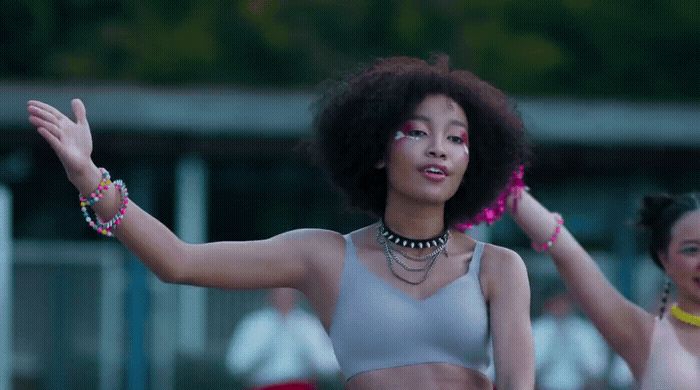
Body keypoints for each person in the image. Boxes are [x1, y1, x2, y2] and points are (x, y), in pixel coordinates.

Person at [27, 54, 534, 389]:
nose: (438, 149)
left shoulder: (498, 267)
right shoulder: (325, 257)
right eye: (417, 131)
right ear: (377, 152)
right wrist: (89, 177)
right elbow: (178, 261)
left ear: (472, 162)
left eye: (456, 138)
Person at [509, 190, 700, 389]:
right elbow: (568, 254)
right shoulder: (647, 337)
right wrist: (508, 188)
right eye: (691, 249)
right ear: (665, 259)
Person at [225, 288, 340, 390]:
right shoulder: (253, 324)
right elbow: (236, 366)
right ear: (270, 294)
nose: (284, 297)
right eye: (279, 292)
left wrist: (306, 345)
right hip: (263, 385)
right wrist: (266, 343)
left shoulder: (310, 325)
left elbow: (331, 366)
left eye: (289, 292)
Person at [531, 289, 608, 390]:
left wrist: (573, 342)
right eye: (556, 303)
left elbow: (597, 369)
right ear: (549, 304)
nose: (561, 307)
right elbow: (531, 367)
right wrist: (553, 340)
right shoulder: (537, 330)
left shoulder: (585, 331)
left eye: (564, 303)